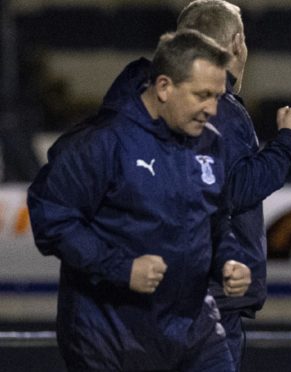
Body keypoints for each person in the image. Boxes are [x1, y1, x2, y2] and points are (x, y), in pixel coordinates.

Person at [27, 30, 252, 371]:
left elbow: (216, 223)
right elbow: (52, 219)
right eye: (202, 95)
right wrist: (122, 268)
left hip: (194, 333)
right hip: (111, 338)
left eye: (218, 96)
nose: (212, 109)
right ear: (164, 87)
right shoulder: (101, 143)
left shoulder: (210, 144)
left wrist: (230, 260)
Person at [176, 1, 291, 369]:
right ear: (237, 43)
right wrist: (290, 140)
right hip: (213, 297)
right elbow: (234, 189)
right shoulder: (219, 108)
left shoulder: (168, 105)